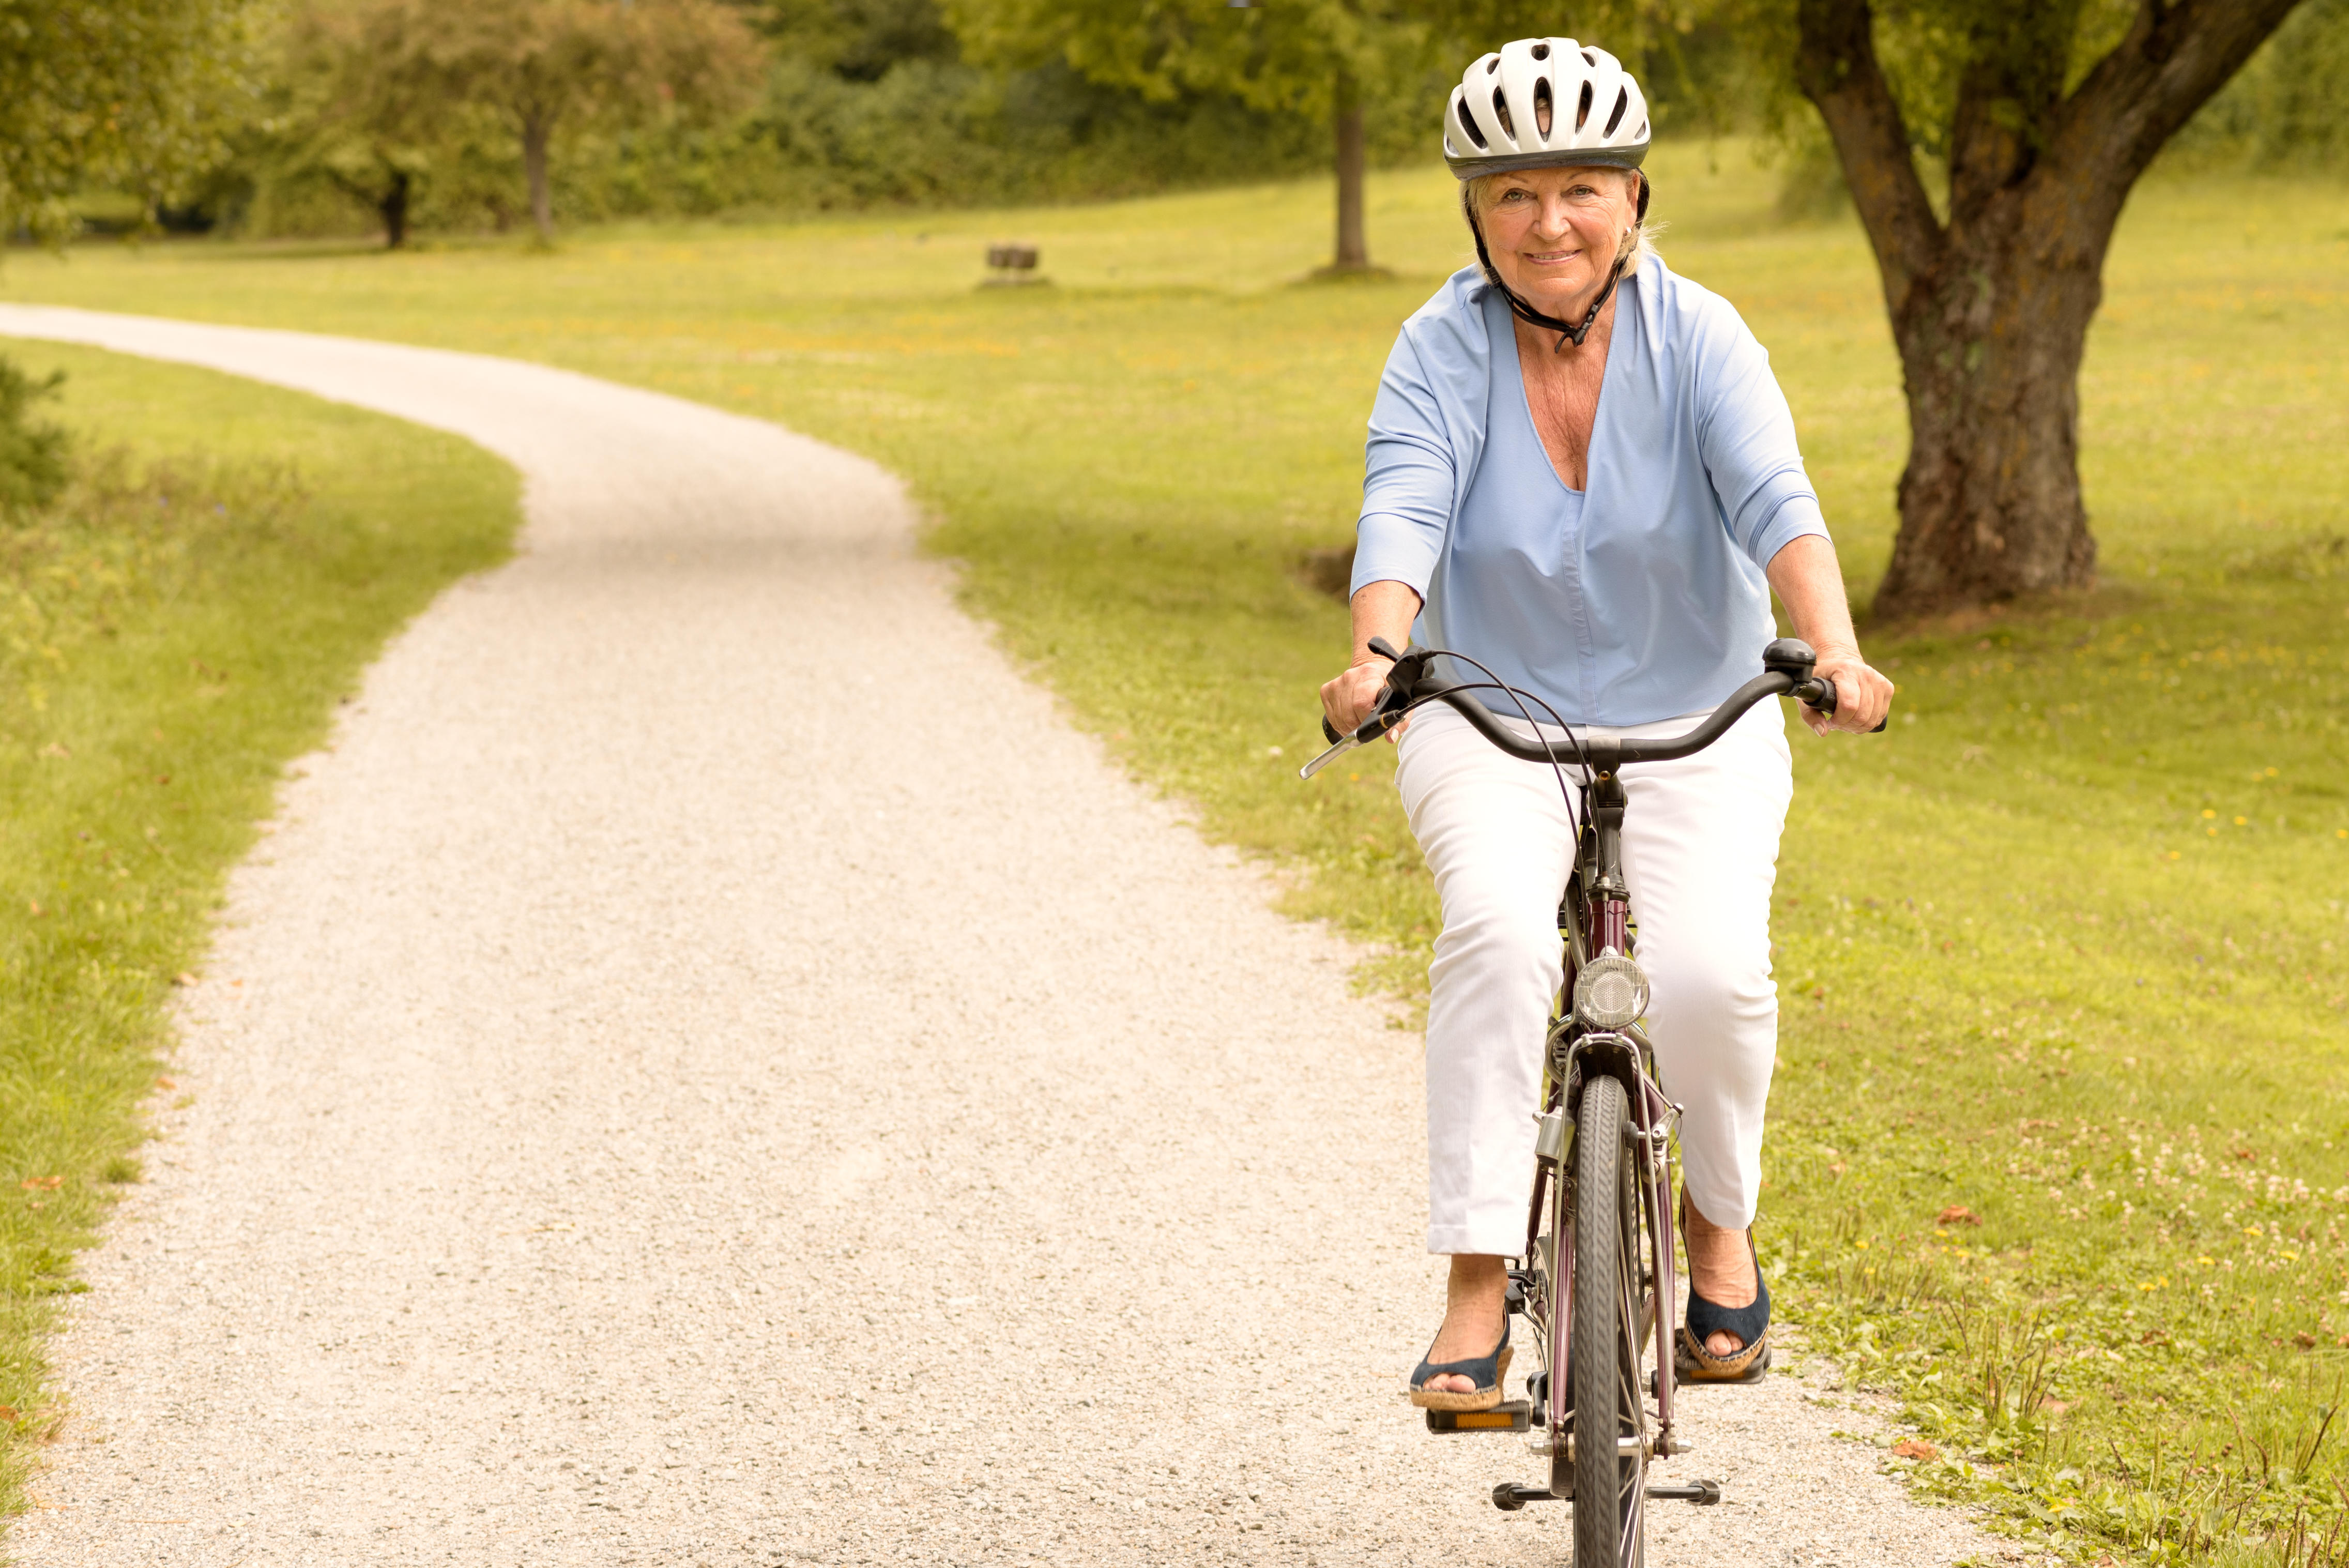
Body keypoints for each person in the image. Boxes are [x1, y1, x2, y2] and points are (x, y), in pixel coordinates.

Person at [1319, 37, 1894, 1409]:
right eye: (1514, 193)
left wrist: (1838, 650)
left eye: (1580, 187)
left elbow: (1778, 502)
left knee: (1708, 981)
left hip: (1696, 713)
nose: (1549, 222)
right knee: (1500, 934)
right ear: (1475, 211)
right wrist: (1376, 652)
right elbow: (1403, 502)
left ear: (1636, 199)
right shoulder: (1436, 346)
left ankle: (1719, 1224)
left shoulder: (1703, 336)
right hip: (1490, 712)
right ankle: (1474, 1284)